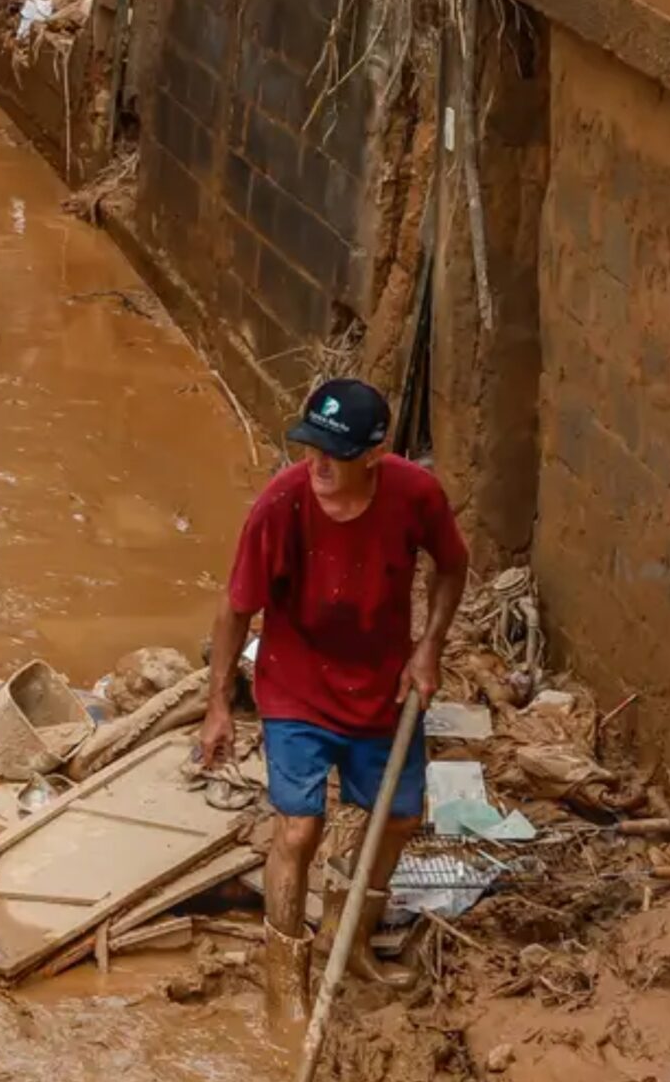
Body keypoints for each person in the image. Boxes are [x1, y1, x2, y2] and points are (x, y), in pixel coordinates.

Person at [196, 379, 468, 1024]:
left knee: (397, 819)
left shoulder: (414, 495)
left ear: (374, 455)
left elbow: (453, 567)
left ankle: (349, 945)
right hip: (297, 684)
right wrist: (217, 707)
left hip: (382, 685)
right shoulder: (281, 506)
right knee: (299, 827)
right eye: (310, 447)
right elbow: (236, 609)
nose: (317, 464)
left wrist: (428, 647)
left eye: (335, 454)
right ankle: (284, 979)